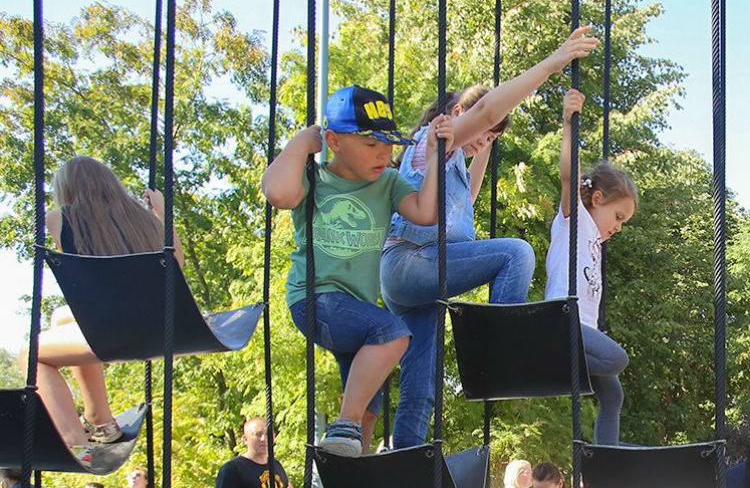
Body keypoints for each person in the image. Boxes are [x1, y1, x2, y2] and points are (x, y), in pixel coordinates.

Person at [383, 28, 599, 448]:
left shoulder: (453, 169)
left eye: (493, 137)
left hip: (413, 285)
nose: (484, 139)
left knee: (420, 387)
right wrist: (554, 61)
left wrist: (486, 146)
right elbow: (483, 112)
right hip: (412, 261)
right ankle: (499, 354)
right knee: (517, 254)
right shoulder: (434, 140)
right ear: (456, 113)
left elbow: (467, 197)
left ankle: (407, 465)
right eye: (485, 132)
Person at [263, 85, 453, 456]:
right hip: (315, 299)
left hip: (355, 310)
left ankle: (349, 478)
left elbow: (426, 212)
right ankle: (344, 423)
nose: (383, 153)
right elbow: (279, 194)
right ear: (333, 141)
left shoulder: (387, 183)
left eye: (388, 144)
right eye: (370, 144)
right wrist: (299, 144)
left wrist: (433, 157)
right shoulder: (314, 178)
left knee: (370, 405)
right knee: (393, 334)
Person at [20, 156, 185, 460]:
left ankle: (74, 440)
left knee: (31, 354)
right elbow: (177, 267)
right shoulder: (145, 220)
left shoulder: (60, 218)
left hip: (111, 331)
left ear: (67, 189)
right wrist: (162, 212)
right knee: (60, 318)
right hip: (160, 325)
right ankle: (101, 421)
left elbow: (78, 275)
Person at [546, 89, 639, 445]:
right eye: (618, 216)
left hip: (582, 328)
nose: (618, 226)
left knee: (613, 395)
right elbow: (569, 177)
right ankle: (551, 361)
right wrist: (569, 123)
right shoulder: (576, 220)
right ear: (597, 199)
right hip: (561, 320)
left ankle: (607, 461)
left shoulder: (595, 244)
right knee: (616, 358)